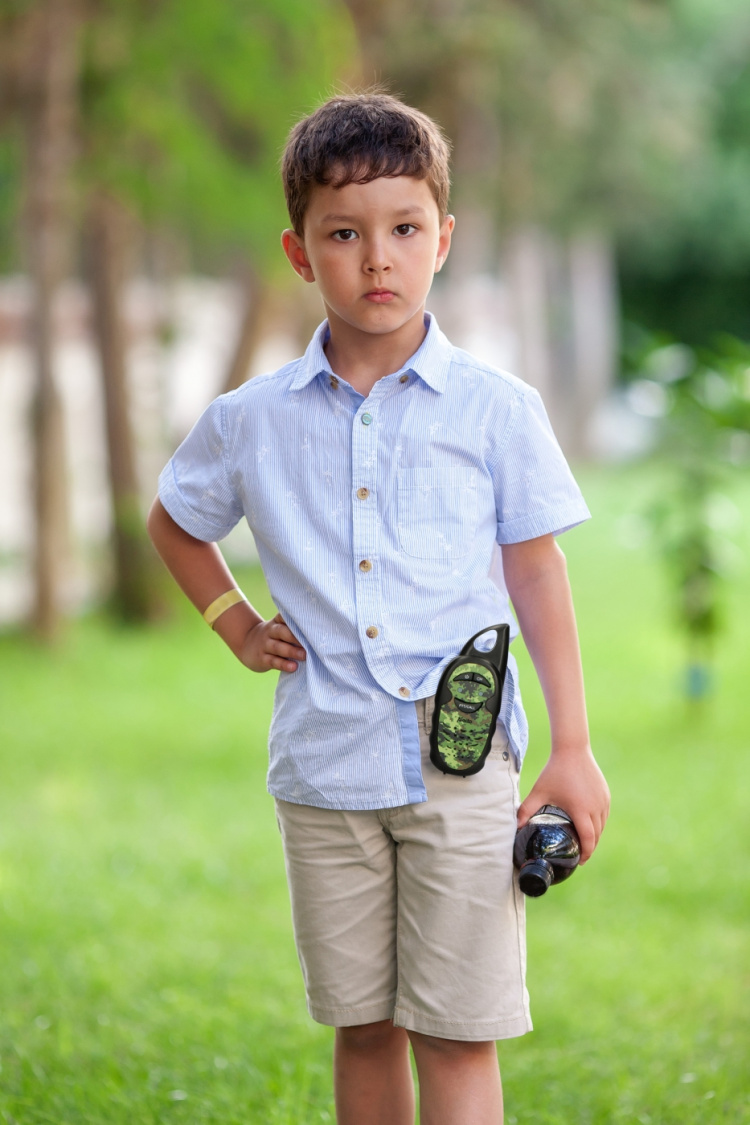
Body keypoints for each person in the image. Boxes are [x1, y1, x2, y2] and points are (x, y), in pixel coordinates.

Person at [147, 91, 610, 1125]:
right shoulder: (249, 421)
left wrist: (572, 746)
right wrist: (232, 621)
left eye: (404, 230)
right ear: (300, 251)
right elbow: (175, 523)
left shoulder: (498, 412)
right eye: (345, 235)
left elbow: (538, 575)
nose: (377, 260)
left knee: (456, 1031)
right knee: (364, 1027)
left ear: (442, 238)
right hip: (324, 769)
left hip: (464, 765)